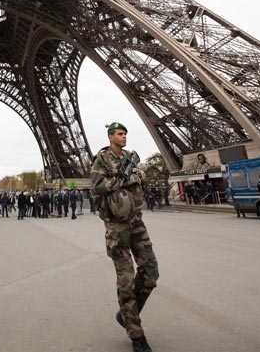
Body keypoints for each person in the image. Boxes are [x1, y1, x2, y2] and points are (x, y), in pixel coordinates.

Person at [91, 122, 158, 352]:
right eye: (120, 134)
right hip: (116, 227)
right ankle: (136, 334)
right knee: (126, 280)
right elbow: (98, 186)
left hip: (137, 222)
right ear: (111, 136)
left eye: (125, 133)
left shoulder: (131, 157)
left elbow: (143, 181)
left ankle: (127, 314)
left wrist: (138, 173)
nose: (124, 136)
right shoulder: (101, 159)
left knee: (151, 273)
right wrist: (124, 178)